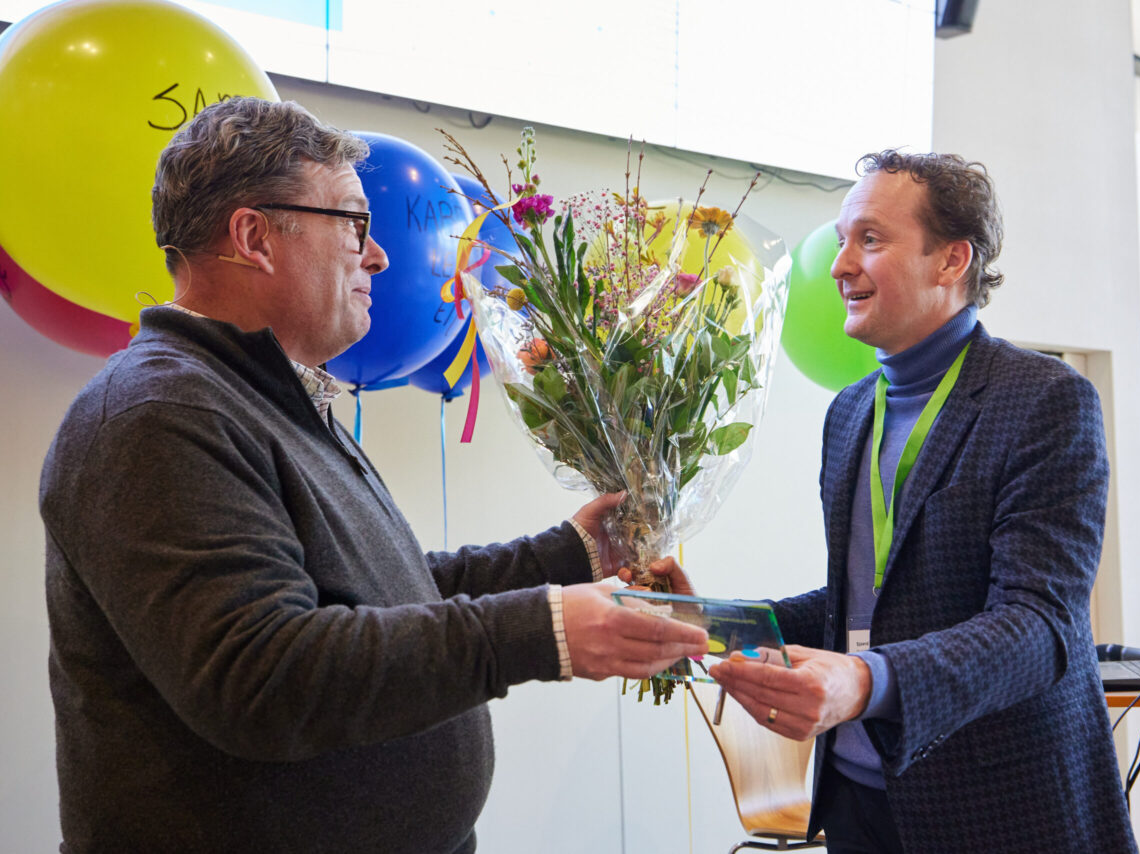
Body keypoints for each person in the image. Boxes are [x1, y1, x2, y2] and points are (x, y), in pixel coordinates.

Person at [39, 97, 707, 854]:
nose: (379, 255)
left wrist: (568, 556)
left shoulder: (263, 394)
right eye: (355, 224)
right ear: (254, 237)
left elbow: (381, 591)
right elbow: (263, 677)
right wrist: (543, 629)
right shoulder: (156, 415)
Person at [710, 151, 1135, 853]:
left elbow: (1039, 624)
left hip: (996, 812)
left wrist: (864, 681)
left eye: (870, 239)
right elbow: (865, 604)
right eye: (841, 240)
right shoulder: (849, 413)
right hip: (856, 803)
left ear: (951, 261)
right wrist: (711, 623)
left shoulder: (1045, 400)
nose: (839, 265)